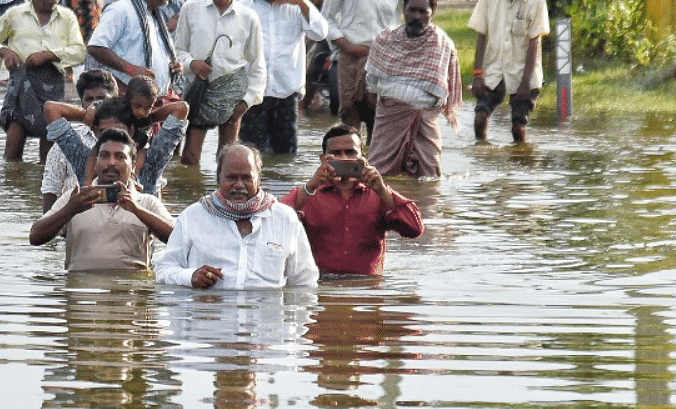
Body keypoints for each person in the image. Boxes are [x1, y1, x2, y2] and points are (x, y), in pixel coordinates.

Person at [154, 143, 319, 289]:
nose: (239, 185)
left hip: (267, 321)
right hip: (207, 318)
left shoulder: (284, 218)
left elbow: (304, 283)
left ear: (258, 179)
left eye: (247, 178)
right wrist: (190, 277)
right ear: (218, 178)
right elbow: (164, 270)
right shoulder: (193, 216)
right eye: (231, 178)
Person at [280, 124, 423, 275]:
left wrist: (382, 190)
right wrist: (311, 185)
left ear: (363, 158)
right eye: (336, 153)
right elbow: (273, 222)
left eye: (350, 152)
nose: (344, 158)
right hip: (321, 284)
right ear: (323, 159)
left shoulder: (380, 195)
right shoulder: (307, 194)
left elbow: (415, 229)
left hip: (367, 289)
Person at [30, 128, 175, 272]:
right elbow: (35, 237)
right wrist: (70, 210)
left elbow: (177, 237)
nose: (111, 162)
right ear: (95, 162)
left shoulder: (146, 203)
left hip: (130, 291)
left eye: (120, 157)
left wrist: (136, 210)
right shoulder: (76, 198)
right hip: (82, 290)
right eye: (105, 156)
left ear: (133, 165)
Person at [0, 0, 87, 161]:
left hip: (52, 88)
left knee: (48, 158)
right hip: (21, 87)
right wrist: (6, 52)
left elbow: (80, 51)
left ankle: (45, 189)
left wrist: (50, 55)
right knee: (12, 155)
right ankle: (14, 190)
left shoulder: (67, 17)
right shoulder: (15, 15)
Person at [321, 0, 412, 140]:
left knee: (382, 121)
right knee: (349, 122)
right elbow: (326, 19)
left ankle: (377, 170)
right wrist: (348, 46)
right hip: (352, 59)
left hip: (388, 60)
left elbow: (412, 18)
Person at [174, 0, 266, 166]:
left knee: (228, 160)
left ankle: (225, 197)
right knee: (189, 158)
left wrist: (246, 101)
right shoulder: (191, 8)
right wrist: (192, 64)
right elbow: (177, 51)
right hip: (198, 91)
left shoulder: (248, 17)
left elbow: (257, 65)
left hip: (232, 93)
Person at [365, 0, 462, 177]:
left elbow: (448, 90)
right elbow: (371, 83)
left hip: (425, 121)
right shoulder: (386, 39)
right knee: (376, 176)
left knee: (430, 179)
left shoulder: (442, 44)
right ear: (404, 10)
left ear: (432, 13)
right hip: (389, 119)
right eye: (412, 10)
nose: (417, 16)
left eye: (422, 11)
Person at [238, 0, 327, 154]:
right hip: (252, 95)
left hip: (286, 94)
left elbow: (321, 33)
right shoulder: (244, 8)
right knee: (251, 154)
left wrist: (302, 3)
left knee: (285, 157)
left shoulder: (297, 6)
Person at [44, 75, 187, 197]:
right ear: (96, 131)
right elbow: (51, 109)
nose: (111, 138)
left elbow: (181, 109)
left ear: (131, 130)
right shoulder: (85, 159)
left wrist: (147, 117)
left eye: (119, 133)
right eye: (104, 133)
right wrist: (91, 116)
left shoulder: (150, 164)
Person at [468, 0, 550, 143]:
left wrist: (525, 82)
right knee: (480, 118)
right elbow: (481, 34)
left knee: (518, 128)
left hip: (523, 71)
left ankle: (521, 162)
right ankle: (482, 155)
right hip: (494, 69)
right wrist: (478, 73)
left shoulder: (537, 0)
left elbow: (534, 42)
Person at [87, 0, 181, 92]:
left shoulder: (154, 16)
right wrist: (131, 69)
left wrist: (170, 66)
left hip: (155, 97)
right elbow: (96, 47)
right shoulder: (120, 10)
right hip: (129, 96)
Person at [39, 69, 119, 212]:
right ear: (81, 103)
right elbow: (51, 188)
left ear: (115, 100)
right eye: (89, 100)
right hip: (76, 220)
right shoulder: (70, 143)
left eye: (102, 98)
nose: (94, 104)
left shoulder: (130, 141)